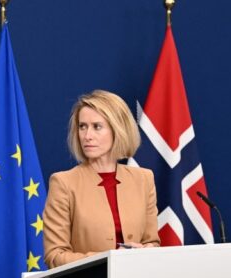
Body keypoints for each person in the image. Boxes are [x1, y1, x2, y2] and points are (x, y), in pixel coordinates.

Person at [44, 90, 160, 268]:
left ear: (118, 129)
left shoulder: (144, 179)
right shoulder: (63, 182)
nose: (87, 135)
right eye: (83, 127)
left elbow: (152, 242)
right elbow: (55, 256)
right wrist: (110, 257)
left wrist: (145, 250)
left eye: (97, 127)